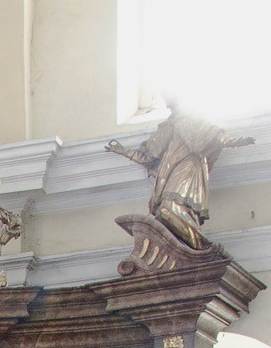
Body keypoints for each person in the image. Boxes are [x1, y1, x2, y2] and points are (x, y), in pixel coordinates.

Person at [106, 104, 254, 250]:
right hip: (170, 170)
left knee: (169, 208)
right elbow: (149, 156)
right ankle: (194, 244)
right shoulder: (168, 126)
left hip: (190, 167)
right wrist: (124, 151)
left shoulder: (197, 120)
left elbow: (216, 138)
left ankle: (198, 244)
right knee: (165, 211)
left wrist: (237, 141)